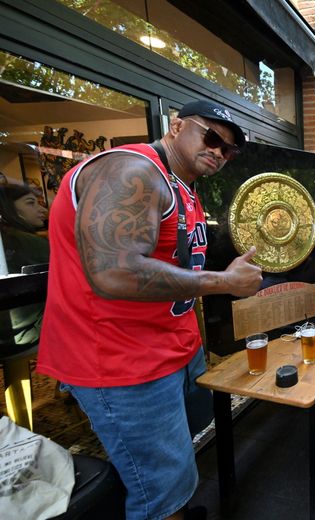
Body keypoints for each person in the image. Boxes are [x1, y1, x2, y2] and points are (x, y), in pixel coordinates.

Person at [37, 99, 263, 520]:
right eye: (211, 137)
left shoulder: (181, 184)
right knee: (161, 491)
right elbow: (114, 272)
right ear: (176, 126)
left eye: (229, 149)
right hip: (120, 361)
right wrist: (224, 283)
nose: (219, 151)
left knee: (169, 470)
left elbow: (174, 264)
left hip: (169, 349)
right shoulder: (132, 170)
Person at [0, 184, 50, 344]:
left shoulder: (7, 239)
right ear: (9, 207)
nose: (43, 210)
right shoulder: (29, 242)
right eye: (30, 203)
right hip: (26, 334)